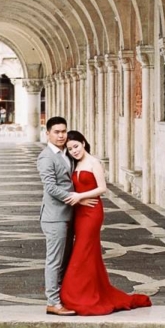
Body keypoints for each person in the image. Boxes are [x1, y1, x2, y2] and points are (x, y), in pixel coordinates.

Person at [59, 130, 153, 315]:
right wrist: (79, 200)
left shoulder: (94, 162)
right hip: (79, 212)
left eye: (76, 146)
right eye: (70, 149)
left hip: (93, 212)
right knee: (88, 252)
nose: (74, 151)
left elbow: (102, 188)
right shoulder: (74, 164)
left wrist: (80, 196)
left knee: (83, 251)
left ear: (83, 143)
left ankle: (79, 295)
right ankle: (89, 291)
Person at [37, 116, 97, 316]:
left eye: (63, 131)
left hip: (70, 215)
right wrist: (78, 199)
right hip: (55, 216)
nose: (61, 135)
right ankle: (53, 302)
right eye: (56, 132)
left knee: (66, 260)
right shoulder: (46, 157)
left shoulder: (68, 154)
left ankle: (64, 297)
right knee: (54, 260)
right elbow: (51, 187)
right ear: (48, 133)